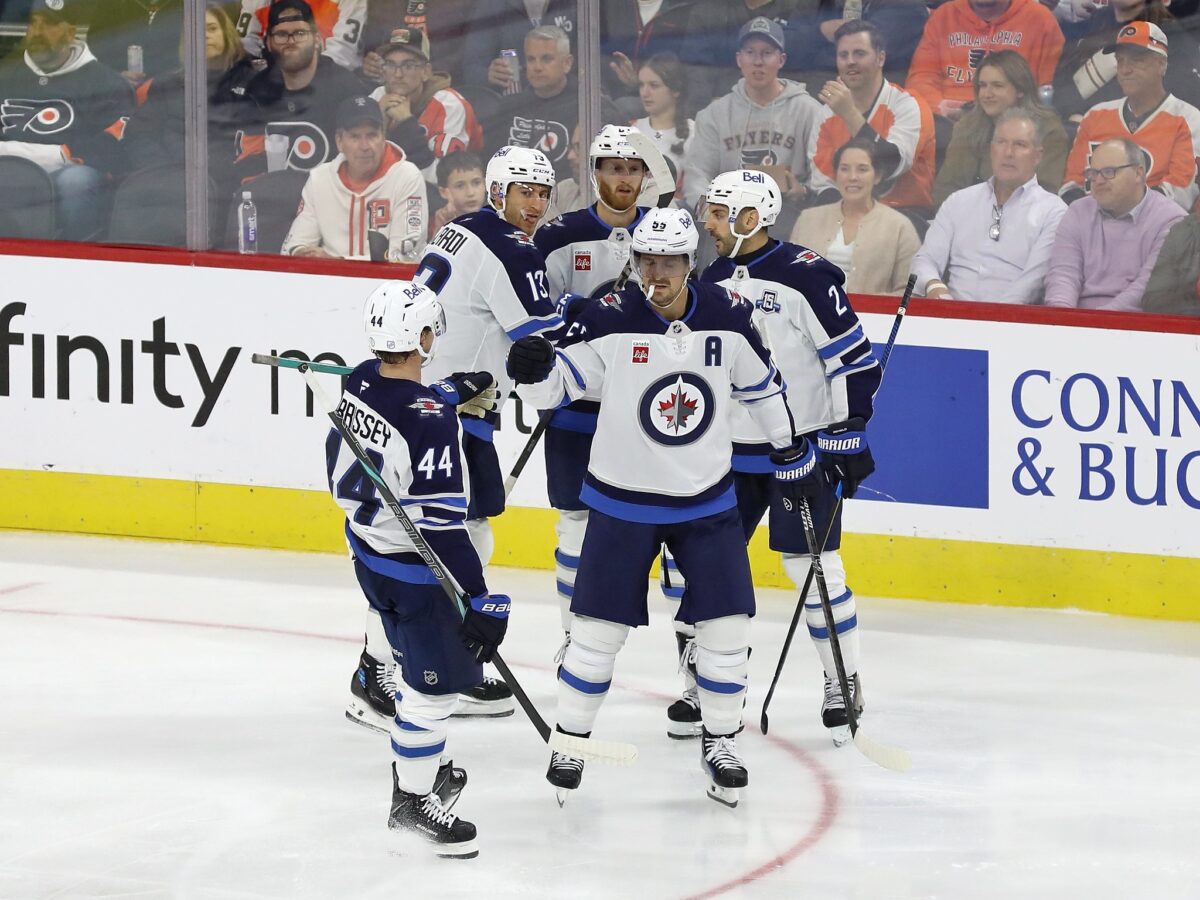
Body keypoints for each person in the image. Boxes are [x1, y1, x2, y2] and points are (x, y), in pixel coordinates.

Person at [507, 207, 816, 807]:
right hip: (622, 501)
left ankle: (722, 740)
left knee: (726, 629)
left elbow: (761, 387)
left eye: (670, 261)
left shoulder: (730, 316)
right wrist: (529, 372)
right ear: (634, 261)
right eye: (647, 260)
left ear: (690, 263)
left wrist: (790, 449)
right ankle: (569, 741)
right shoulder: (609, 317)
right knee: (597, 633)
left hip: (705, 500)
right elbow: (556, 387)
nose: (658, 271)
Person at [327, 278, 509, 857]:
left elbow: (404, 399)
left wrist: (452, 390)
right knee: (432, 692)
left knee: (411, 664)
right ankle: (412, 800)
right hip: (417, 573)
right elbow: (442, 528)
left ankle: (415, 765)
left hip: (369, 556)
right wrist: (478, 599)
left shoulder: (357, 379)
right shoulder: (431, 421)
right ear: (426, 336)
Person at [700, 169, 881, 746]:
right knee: (705, 569)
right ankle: (704, 682)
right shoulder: (710, 276)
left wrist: (848, 429)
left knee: (815, 570)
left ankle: (841, 677)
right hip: (728, 452)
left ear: (749, 218)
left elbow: (855, 361)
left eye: (718, 211)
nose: (708, 221)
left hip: (797, 452)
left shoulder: (807, 276)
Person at [533, 125, 703, 736]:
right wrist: (568, 323)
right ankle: (572, 639)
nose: (624, 179)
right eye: (612, 167)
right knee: (576, 523)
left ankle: (693, 666)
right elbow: (533, 316)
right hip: (581, 406)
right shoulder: (559, 236)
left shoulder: (670, 232)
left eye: (634, 168)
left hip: (653, 411)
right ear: (593, 167)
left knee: (683, 530)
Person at [0, 0, 133, 241]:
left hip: (67, 175)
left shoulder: (105, 82)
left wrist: (63, 154)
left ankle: (75, 257)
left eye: (49, 23)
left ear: (71, 32)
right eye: (33, 23)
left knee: (77, 181)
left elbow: (115, 143)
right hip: (8, 171)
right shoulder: (6, 76)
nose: (37, 32)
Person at [912, 108, 1068, 303]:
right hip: (950, 315)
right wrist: (934, 285)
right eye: (1001, 142)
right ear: (991, 149)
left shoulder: (1054, 211)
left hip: (1011, 323)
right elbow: (924, 260)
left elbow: (1031, 284)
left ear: (1037, 156)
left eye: (1020, 145)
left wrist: (990, 320)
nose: (1008, 153)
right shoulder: (959, 201)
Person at [683, 17, 827, 225]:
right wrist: (713, 215)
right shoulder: (714, 114)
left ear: (781, 60)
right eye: (750, 52)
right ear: (739, 59)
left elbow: (824, 176)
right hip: (729, 219)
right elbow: (697, 175)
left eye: (767, 53)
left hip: (788, 215)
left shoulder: (809, 111)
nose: (758, 61)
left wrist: (803, 190)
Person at [1059, 21, 1200, 210]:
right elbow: (1070, 186)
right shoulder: (1095, 115)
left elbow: (1177, 195)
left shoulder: (1189, 119)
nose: (1125, 70)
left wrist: (1115, 215)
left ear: (1161, 65)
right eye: (1120, 61)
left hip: (1155, 231)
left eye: (1137, 60)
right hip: (1089, 228)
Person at [808, 20, 937, 213]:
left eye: (859, 53)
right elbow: (824, 186)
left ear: (881, 59)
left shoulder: (908, 104)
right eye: (843, 55)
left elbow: (891, 164)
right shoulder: (826, 113)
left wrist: (849, 113)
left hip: (904, 214)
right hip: (846, 216)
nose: (850, 61)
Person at [1045, 137, 1187, 309]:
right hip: (1074, 323)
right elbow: (1063, 275)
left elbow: (1146, 289)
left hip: (1135, 327)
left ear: (1138, 173)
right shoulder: (1077, 211)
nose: (1098, 181)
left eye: (1109, 172)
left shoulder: (1172, 221)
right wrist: (1061, 319)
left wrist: (1096, 323)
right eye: (1093, 173)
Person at [281, 96, 427, 260]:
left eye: (372, 135)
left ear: (383, 137)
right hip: (327, 281)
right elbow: (293, 245)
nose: (365, 146)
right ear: (339, 142)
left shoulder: (407, 177)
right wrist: (302, 253)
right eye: (355, 137)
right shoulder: (319, 179)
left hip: (388, 283)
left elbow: (406, 256)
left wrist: (338, 264)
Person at [907, 0, 1064, 142]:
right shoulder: (943, 16)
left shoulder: (1040, 20)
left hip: (1009, 127)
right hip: (945, 125)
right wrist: (939, 107)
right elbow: (921, 77)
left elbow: (1045, 93)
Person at [237, 0, 365, 175]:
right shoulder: (257, 90)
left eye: (299, 33)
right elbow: (242, 47)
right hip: (277, 78)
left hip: (326, 81)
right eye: (282, 35)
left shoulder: (346, 87)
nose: (291, 41)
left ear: (316, 38)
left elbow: (343, 52)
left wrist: (305, 76)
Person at [933, 50, 1070, 207]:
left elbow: (1045, 193)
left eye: (997, 86)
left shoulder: (1048, 131)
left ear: (1020, 90)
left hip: (1025, 221)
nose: (987, 94)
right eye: (982, 86)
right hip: (966, 219)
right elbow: (947, 187)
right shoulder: (968, 126)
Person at [486, 25, 619, 181]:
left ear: (567, 63)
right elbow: (490, 165)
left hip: (569, 198)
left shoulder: (591, 105)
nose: (537, 67)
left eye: (546, 59)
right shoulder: (509, 106)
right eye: (531, 59)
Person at [792, 140, 921, 295]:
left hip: (871, 317)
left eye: (862, 169)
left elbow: (911, 291)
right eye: (844, 169)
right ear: (836, 175)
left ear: (877, 176)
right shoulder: (808, 220)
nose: (852, 177)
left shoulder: (899, 226)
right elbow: (787, 276)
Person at [367, 27, 484, 183]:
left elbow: (443, 181)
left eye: (408, 65)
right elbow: (356, 168)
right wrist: (377, 127)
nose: (398, 74)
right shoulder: (377, 98)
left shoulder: (450, 106)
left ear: (426, 72)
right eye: (390, 64)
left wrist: (406, 125)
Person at [1051, 0, 1200, 121]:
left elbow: (1181, 110)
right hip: (1076, 131)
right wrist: (1074, 114)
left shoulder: (1170, 39)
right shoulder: (1095, 22)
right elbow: (1062, 87)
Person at [678, 0, 803, 112]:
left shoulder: (802, 7)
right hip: (721, 110)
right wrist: (711, 109)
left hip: (783, 112)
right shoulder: (706, 12)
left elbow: (804, 68)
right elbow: (697, 71)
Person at [784, 0, 929, 95]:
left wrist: (807, 48)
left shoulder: (906, 6)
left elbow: (863, 58)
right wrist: (821, 31)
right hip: (802, 93)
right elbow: (783, 49)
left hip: (868, 101)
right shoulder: (814, 3)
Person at [461, 0, 578, 92]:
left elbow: (590, 64)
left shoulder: (578, 4)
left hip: (565, 103)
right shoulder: (492, 4)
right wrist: (488, 76)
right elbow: (471, 68)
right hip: (512, 108)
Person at [599, 0, 694, 113]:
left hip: (670, 105)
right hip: (614, 102)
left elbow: (692, 73)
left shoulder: (687, 8)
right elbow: (592, 60)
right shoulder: (606, 6)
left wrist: (640, 82)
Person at [238, 0, 368, 72]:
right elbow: (243, 46)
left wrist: (300, 76)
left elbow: (344, 53)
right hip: (271, 78)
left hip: (330, 76)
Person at [630, 52, 694, 197]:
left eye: (654, 85)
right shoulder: (629, 131)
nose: (645, 93)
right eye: (641, 85)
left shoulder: (696, 134)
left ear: (676, 90)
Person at [429, 150, 485, 238]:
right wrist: (440, 229)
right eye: (460, 186)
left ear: (485, 183)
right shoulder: (436, 222)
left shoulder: (501, 219)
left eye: (476, 183)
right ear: (444, 192)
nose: (470, 193)